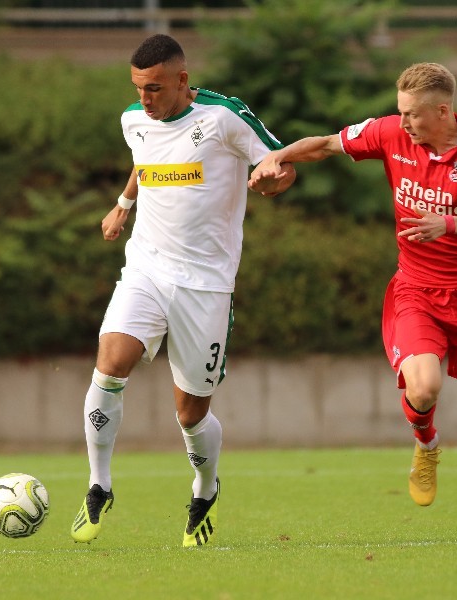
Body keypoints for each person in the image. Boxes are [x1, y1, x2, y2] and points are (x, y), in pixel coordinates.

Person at [249, 62, 457, 542]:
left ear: (443, 110)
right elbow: (328, 144)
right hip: (417, 291)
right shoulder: (392, 134)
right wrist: (277, 156)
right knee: (424, 389)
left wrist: (448, 224)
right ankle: (426, 443)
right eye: (401, 113)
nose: (405, 123)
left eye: (413, 115)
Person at [72, 33, 295, 547]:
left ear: (181, 80)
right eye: (136, 88)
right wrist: (123, 206)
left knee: (190, 412)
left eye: (153, 89)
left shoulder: (223, 117)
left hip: (206, 285)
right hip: (146, 268)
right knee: (111, 361)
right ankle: (98, 484)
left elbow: (279, 162)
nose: (143, 99)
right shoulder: (135, 120)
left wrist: (272, 179)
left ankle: (205, 486)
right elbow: (144, 159)